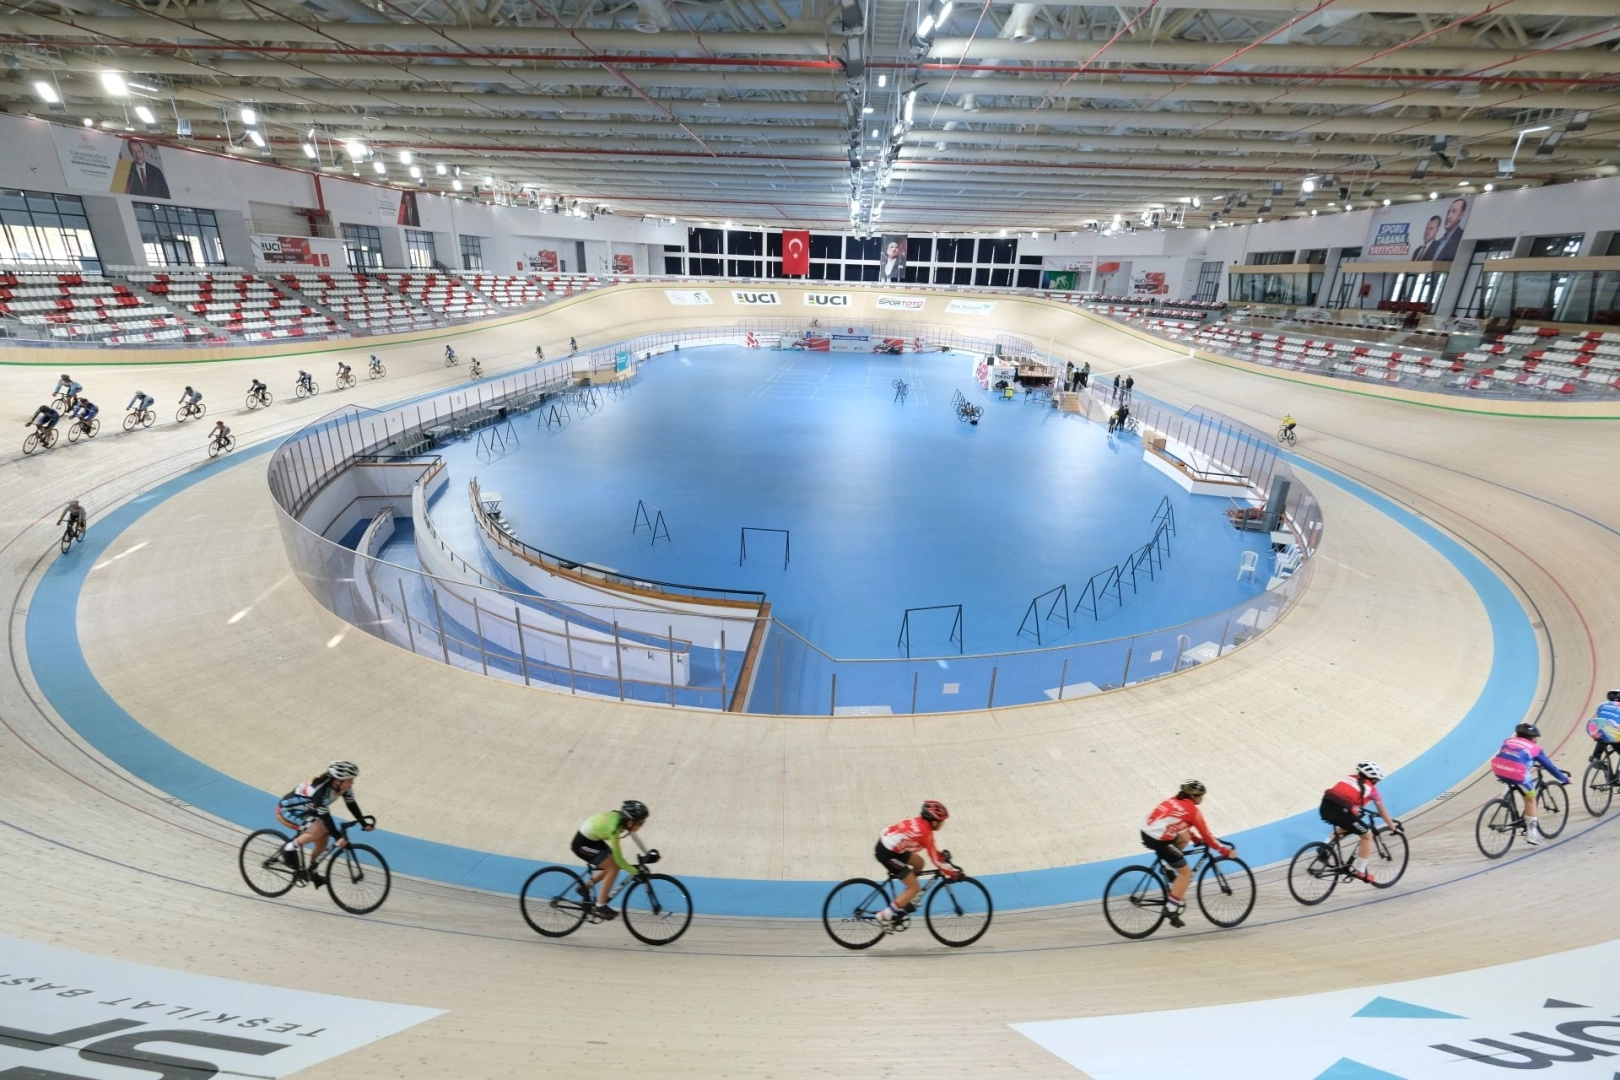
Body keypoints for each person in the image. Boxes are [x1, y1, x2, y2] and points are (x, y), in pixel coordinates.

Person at [1141, 780, 1233, 927]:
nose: (1202, 798)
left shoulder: (1175, 800)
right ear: (1194, 796)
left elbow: (1181, 825)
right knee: (1186, 874)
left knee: (1185, 837)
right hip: (1158, 839)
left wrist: (1195, 839)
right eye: (1201, 795)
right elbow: (1208, 836)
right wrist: (1225, 851)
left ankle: (1168, 868)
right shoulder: (1193, 811)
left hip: (1147, 830)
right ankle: (1171, 909)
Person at [276, 761, 371, 883]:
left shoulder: (343, 786)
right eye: (350, 780)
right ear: (337, 781)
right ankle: (288, 848)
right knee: (319, 829)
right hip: (288, 811)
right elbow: (325, 816)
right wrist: (338, 838)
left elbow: (351, 803)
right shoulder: (320, 792)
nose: (352, 783)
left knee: (323, 840)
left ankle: (312, 870)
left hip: (310, 809)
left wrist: (363, 823)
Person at [873, 800, 959, 932]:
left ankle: (904, 899)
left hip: (892, 845)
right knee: (914, 888)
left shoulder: (921, 823)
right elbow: (935, 859)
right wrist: (953, 873)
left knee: (919, 863)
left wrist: (943, 859)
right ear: (934, 822)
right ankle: (885, 915)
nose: (943, 824)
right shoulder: (926, 834)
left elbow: (934, 853)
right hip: (888, 853)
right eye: (942, 821)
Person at [571, 800, 656, 919]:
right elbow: (619, 859)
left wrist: (647, 853)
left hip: (593, 840)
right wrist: (635, 871)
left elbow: (634, 836)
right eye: (641, 823)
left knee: (612, 865)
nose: (641, 825)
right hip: (582, 844)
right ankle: (600, 906)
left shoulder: (622, 821)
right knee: (613, 868)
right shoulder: (614, 828)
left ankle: (584, 888)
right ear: (631, 822)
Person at [1489, 723, 1570, 845]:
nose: (1536, 740)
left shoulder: (1508, 741)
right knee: (1531, 799)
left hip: (1498, 769)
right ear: (1532, 738)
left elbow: (1509, 757)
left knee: (1514, 775)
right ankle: (1532, 835)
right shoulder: (1535, 748)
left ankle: (1507, 789)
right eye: (1535, 738)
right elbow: (1550, 767)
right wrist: (1565, 779)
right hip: (1517, 774)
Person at [1320, 762, 1399, 882]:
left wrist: (1355, 813)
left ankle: (1324, 847)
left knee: (1346, 825)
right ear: (1373, 779)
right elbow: (1382, 812)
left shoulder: (1349, 778)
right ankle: (1361, 872)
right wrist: (1393, 827)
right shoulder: (1372, 790)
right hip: (1341, 810)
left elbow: (1347, 798)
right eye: (1377, 780)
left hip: (1325, 807)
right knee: (1367, 835)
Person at [1431, 197, 1469, 263]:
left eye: (1454, 211)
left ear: (1461, 215)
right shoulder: (1437, 243)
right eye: (1448, 212)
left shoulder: (1462, 238)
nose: (1448, 216)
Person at [1588, 690, 1620, 765]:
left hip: (1591, 729)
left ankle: (1595, 756)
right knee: (1612, 735)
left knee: (1603, 735)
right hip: (1612, 732)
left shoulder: (1603, 704)